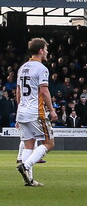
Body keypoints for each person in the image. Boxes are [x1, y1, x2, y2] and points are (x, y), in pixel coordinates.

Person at [16, 38, 57, 187]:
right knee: (49, 143)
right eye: (46, 49)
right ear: (40, 50)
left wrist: (18, 113)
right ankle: (26, 166)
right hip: (35, 112)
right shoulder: (41, 69)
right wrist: (51, 110)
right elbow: (44, 91)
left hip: (22, 112)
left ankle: (29, 179)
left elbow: (18, 93)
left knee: (29, 144)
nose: (47, 52)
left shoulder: (22, 68)